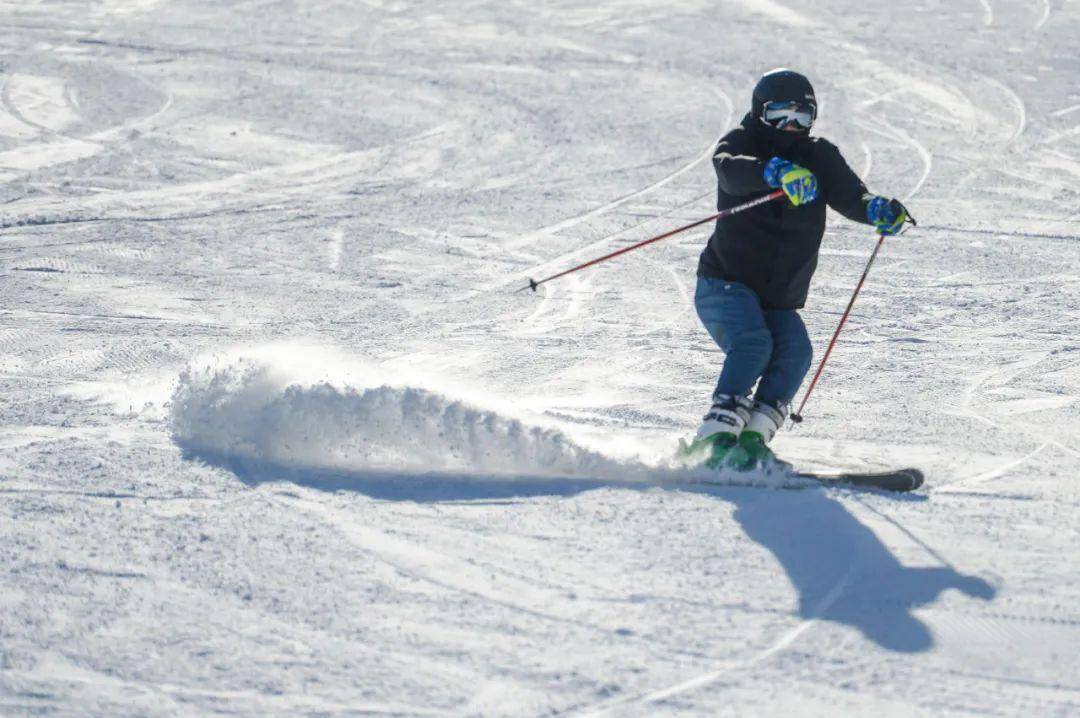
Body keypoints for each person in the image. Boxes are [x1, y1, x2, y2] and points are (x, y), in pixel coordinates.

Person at [687, 68, 910, 471]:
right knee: (754, 345)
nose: (790, 126)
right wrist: (772, 172)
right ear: (760, 113)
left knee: (795, 353)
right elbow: (729, 169)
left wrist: (875, 208)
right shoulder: (743, 143)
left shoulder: (818, 155)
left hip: (777, 295)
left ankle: (753, 440)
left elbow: (851, 195)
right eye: (779, 115)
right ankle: (713, 440)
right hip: (725, 283)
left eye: (801, 117)